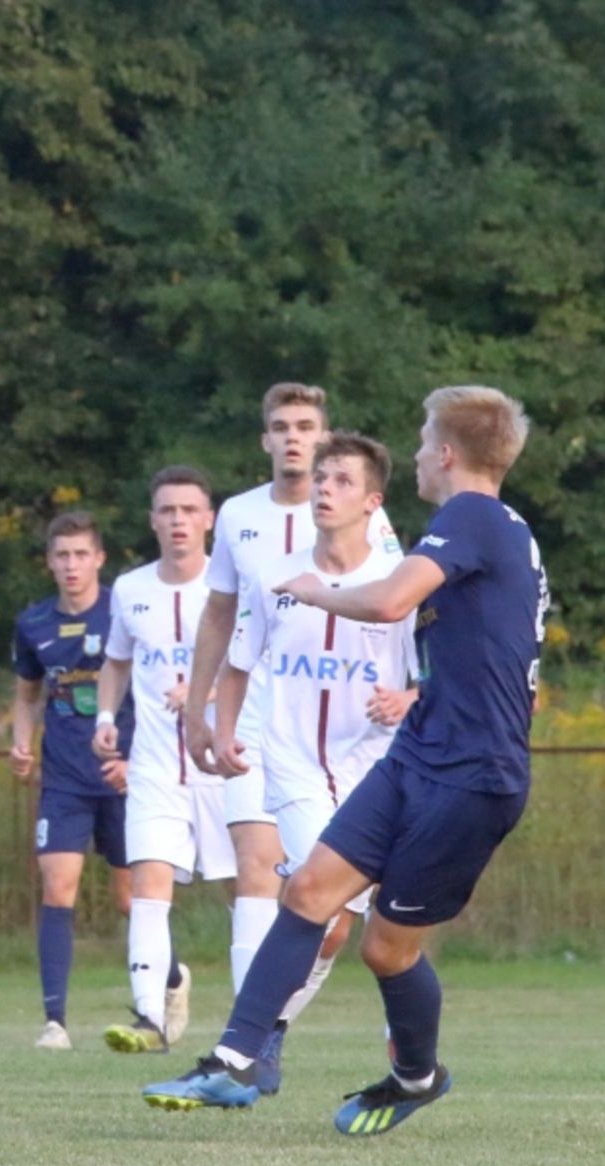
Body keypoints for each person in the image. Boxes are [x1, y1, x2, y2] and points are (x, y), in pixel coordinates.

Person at [144, 386, 545, 1137]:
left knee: (386, 949)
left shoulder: (473, 515)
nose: (421, 454)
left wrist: (315, 589)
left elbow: (393, 603)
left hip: (473, 776)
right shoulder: (484, 528)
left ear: (449, 454)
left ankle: (416, 1077)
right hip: (420, 754)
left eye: (427, 442)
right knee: (307, 893)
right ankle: (234, 1063)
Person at [180, 383, 402, 1088]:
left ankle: (273, 1038)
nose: (301, 447)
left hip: (376, 765)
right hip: (286, 754)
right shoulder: (251, 535)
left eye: (310, 430)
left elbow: (424, 650)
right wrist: (208, 718)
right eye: (282, 427)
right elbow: (228, 632)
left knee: (349, 926)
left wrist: (408, 694)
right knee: (299, 886)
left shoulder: (396, 567)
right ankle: (239, 1052)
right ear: (265, 438)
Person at [94, 466, 232, 1054]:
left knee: (245, 895)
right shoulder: (129, 589)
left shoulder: (232, 590)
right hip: (153, 768)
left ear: (209, 520)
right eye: (167, 511)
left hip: (225, 767)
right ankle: (150, 1016)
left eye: (188, 510)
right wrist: (105, 719)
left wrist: (202, 694)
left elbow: (261, 665)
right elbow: (116, 661)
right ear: (153, 520)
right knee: (146, 885)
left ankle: (259, 1025)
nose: (178, 521)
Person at [8, 512, 135, 1050]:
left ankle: (164, 990)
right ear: (50, 562)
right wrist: (20, 743)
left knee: (135, 902)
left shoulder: (124, 611)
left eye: (81, 554)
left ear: (99, 559)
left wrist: (138, 757)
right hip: (63, 782)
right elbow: (26, 696)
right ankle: (55, 1021)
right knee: (58, 891)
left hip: (127, 776)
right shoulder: (34, 623)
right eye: (62, 555)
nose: (71, 565)